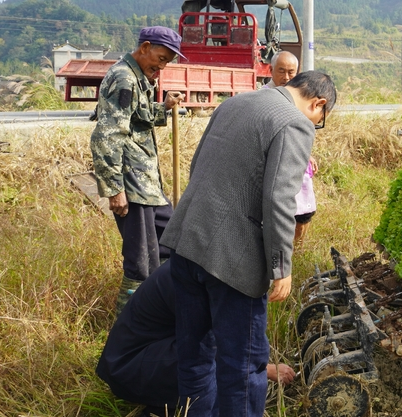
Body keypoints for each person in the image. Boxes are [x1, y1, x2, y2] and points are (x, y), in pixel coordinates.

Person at [161, 70, 335, 416]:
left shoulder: (236, 102)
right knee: (242, 365)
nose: (315, 125)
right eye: (320, 121)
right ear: (319, 104)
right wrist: (281, 266)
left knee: (195, 355)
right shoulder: (294, 123)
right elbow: (279, 200)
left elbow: (198, 165)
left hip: (186, 241)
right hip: (232, 263)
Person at [95, 259, 296, 414]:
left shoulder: (198, 263)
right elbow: (215, 341)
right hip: (129, 367)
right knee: (209, 366)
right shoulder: (194, 278)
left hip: (150, 357)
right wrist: (264, 369)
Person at [91, 27, 184, 313]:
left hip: (148, 185)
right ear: (145, 48)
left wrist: (164, 106)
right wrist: (115, 188)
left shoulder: (138, 78)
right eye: (161, 58)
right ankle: (129, 328)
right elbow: (107, 136)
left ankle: (163, 312)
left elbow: (137, 117)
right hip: (132, 184)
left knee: (172, 242)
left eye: (167, 61)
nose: (162, 66)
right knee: (141, 263)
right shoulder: (124, 79)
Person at [262, 50, 316, 244]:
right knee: (277, 213)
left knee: (303, 214)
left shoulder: (299, 97)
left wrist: (306, 154)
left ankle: (297, 252)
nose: (286, 77)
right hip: (273, 163)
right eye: (281, 71)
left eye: (291, 72)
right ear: (271, 70)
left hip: (296, 161)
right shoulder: (262, 97)